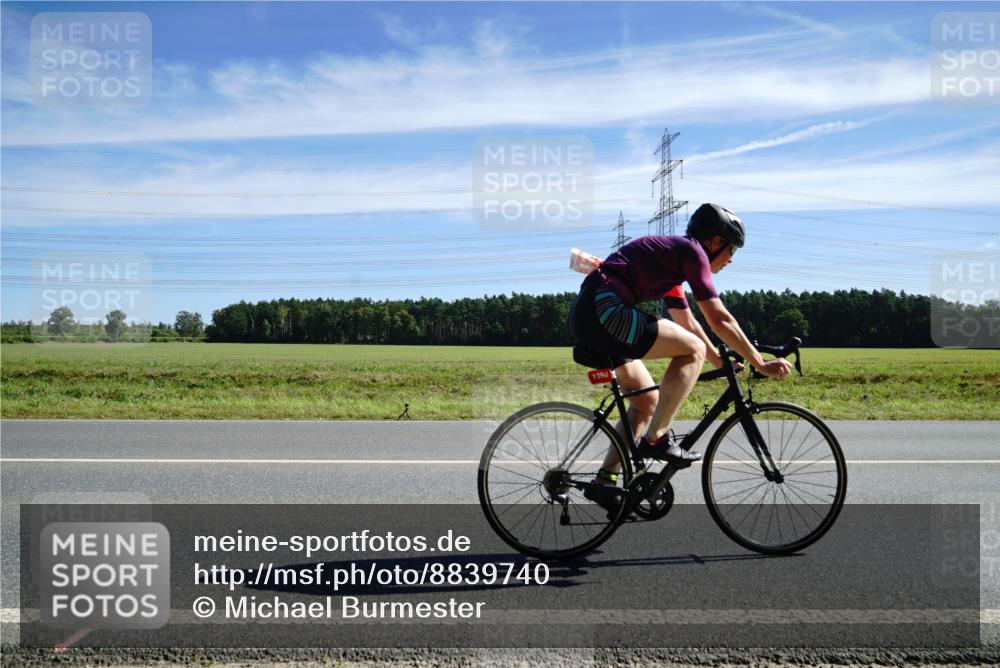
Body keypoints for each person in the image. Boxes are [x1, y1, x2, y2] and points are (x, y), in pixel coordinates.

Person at [568, 203, 792, 509]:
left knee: (646, 402)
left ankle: (605, 482)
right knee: (692, 349)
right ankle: (656, 439)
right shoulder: (692, 252)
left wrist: (720, 361)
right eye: (731, 250)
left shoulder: (671, 263)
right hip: (605, 311)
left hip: (592, 315)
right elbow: (719, 319)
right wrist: (760, 363)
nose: (730, 259)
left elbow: (688, 323)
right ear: (715, 241)